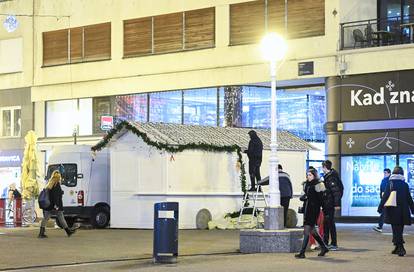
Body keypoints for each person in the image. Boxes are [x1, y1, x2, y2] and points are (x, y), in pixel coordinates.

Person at [378, 166, 414, 257]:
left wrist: (380, 207)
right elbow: (409, 198)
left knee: (395, 230)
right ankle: (397, 247)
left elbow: (385, 197)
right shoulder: (404, 184)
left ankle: (401, 248)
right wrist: (413, 209)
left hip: (392, 210)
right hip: (403, 211)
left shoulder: (390, 183)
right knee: (399, 230)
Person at [295, 168, 329, 259]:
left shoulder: (319, 184)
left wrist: (325, 211)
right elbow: (304, 195)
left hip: (314, 209)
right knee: (312, 230)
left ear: (314, 175)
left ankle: (302, 252)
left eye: (310, 175)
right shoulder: (306, 184)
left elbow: (322, 199)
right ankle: (324, 247)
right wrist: (304, 197)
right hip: (307, 208)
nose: (308, 176)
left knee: (306, 228)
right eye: (307, 175)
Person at [38, 170, 76, 238]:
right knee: (61, 217)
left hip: (49, 205)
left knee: (46, 218)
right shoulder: (57, 185)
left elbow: (52, 195)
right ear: (59, 178)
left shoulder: (49, 184)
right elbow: (56, 196)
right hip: (55, 205)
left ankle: (41, 233)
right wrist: (57, 205)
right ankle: (68, 231)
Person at [321, 160, 343, 251]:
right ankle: (325, 243)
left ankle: (334, 243)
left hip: (330, 203)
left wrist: (337, 204)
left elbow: (336, 191)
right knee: (326, 223)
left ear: (325, 167)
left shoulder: (331, 177)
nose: (322, 169)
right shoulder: (328, 176)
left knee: (330, 223)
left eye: (322, 167)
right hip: (327, 203)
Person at [373, 168, 391, 233]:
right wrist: (381, 196)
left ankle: (380, 227)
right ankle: (380, 226)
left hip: (388, 199)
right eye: (384, 173)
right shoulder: (384, 180)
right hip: (385, 199)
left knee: (384, 213)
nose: (384, 174)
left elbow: (386, 190)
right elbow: (381, 189)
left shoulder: (389, 180)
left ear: (389, 173)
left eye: (385, 173)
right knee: (384, 213)